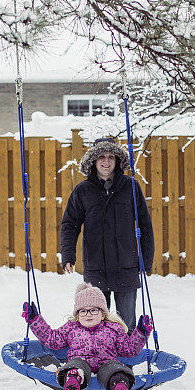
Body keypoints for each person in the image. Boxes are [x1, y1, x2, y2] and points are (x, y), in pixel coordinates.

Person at [60, 136, 154, 333]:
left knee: (126, 322)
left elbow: (145, 225)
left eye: (111, 156)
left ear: (118, 160)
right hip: (96, 268)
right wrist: (68, 254)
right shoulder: (82, 191)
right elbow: (70, 224)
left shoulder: (131, 187)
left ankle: (125, 363)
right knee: (95, 321)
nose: (106, 161)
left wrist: (146, 259)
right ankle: (99, 362)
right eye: (101, 156)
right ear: (93, 161)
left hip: (126, 267)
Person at [22, 282, 153, 390]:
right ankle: (72, 384)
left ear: (103, 314)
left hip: (107, 364)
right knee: (75, 367)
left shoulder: (114, 328)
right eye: (83, 311)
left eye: (93, 310)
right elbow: (51, 339)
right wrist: (34, 319)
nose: (88, 314)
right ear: (77, 316)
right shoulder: (71, 328)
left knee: (116, 371)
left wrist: (141, 332)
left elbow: (129, 350)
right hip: (80, 362)